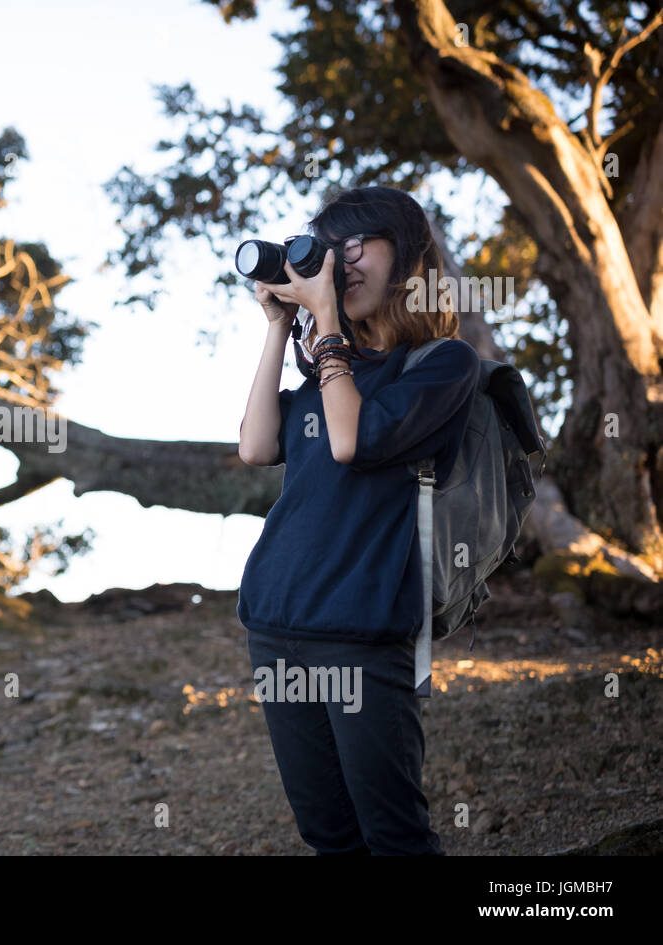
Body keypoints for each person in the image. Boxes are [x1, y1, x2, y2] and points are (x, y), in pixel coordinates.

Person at [236, 185, 481, 856]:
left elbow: (352, 440)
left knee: (394, 834)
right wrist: (282, 326)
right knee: (329, 833)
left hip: (362, 631)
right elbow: (256, 447)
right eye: (330, 248)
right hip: (275, 623)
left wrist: (328, 333)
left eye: (357, 245)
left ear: (406, 258)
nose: (341, 264)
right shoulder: (326, 371)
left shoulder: (440, 366)